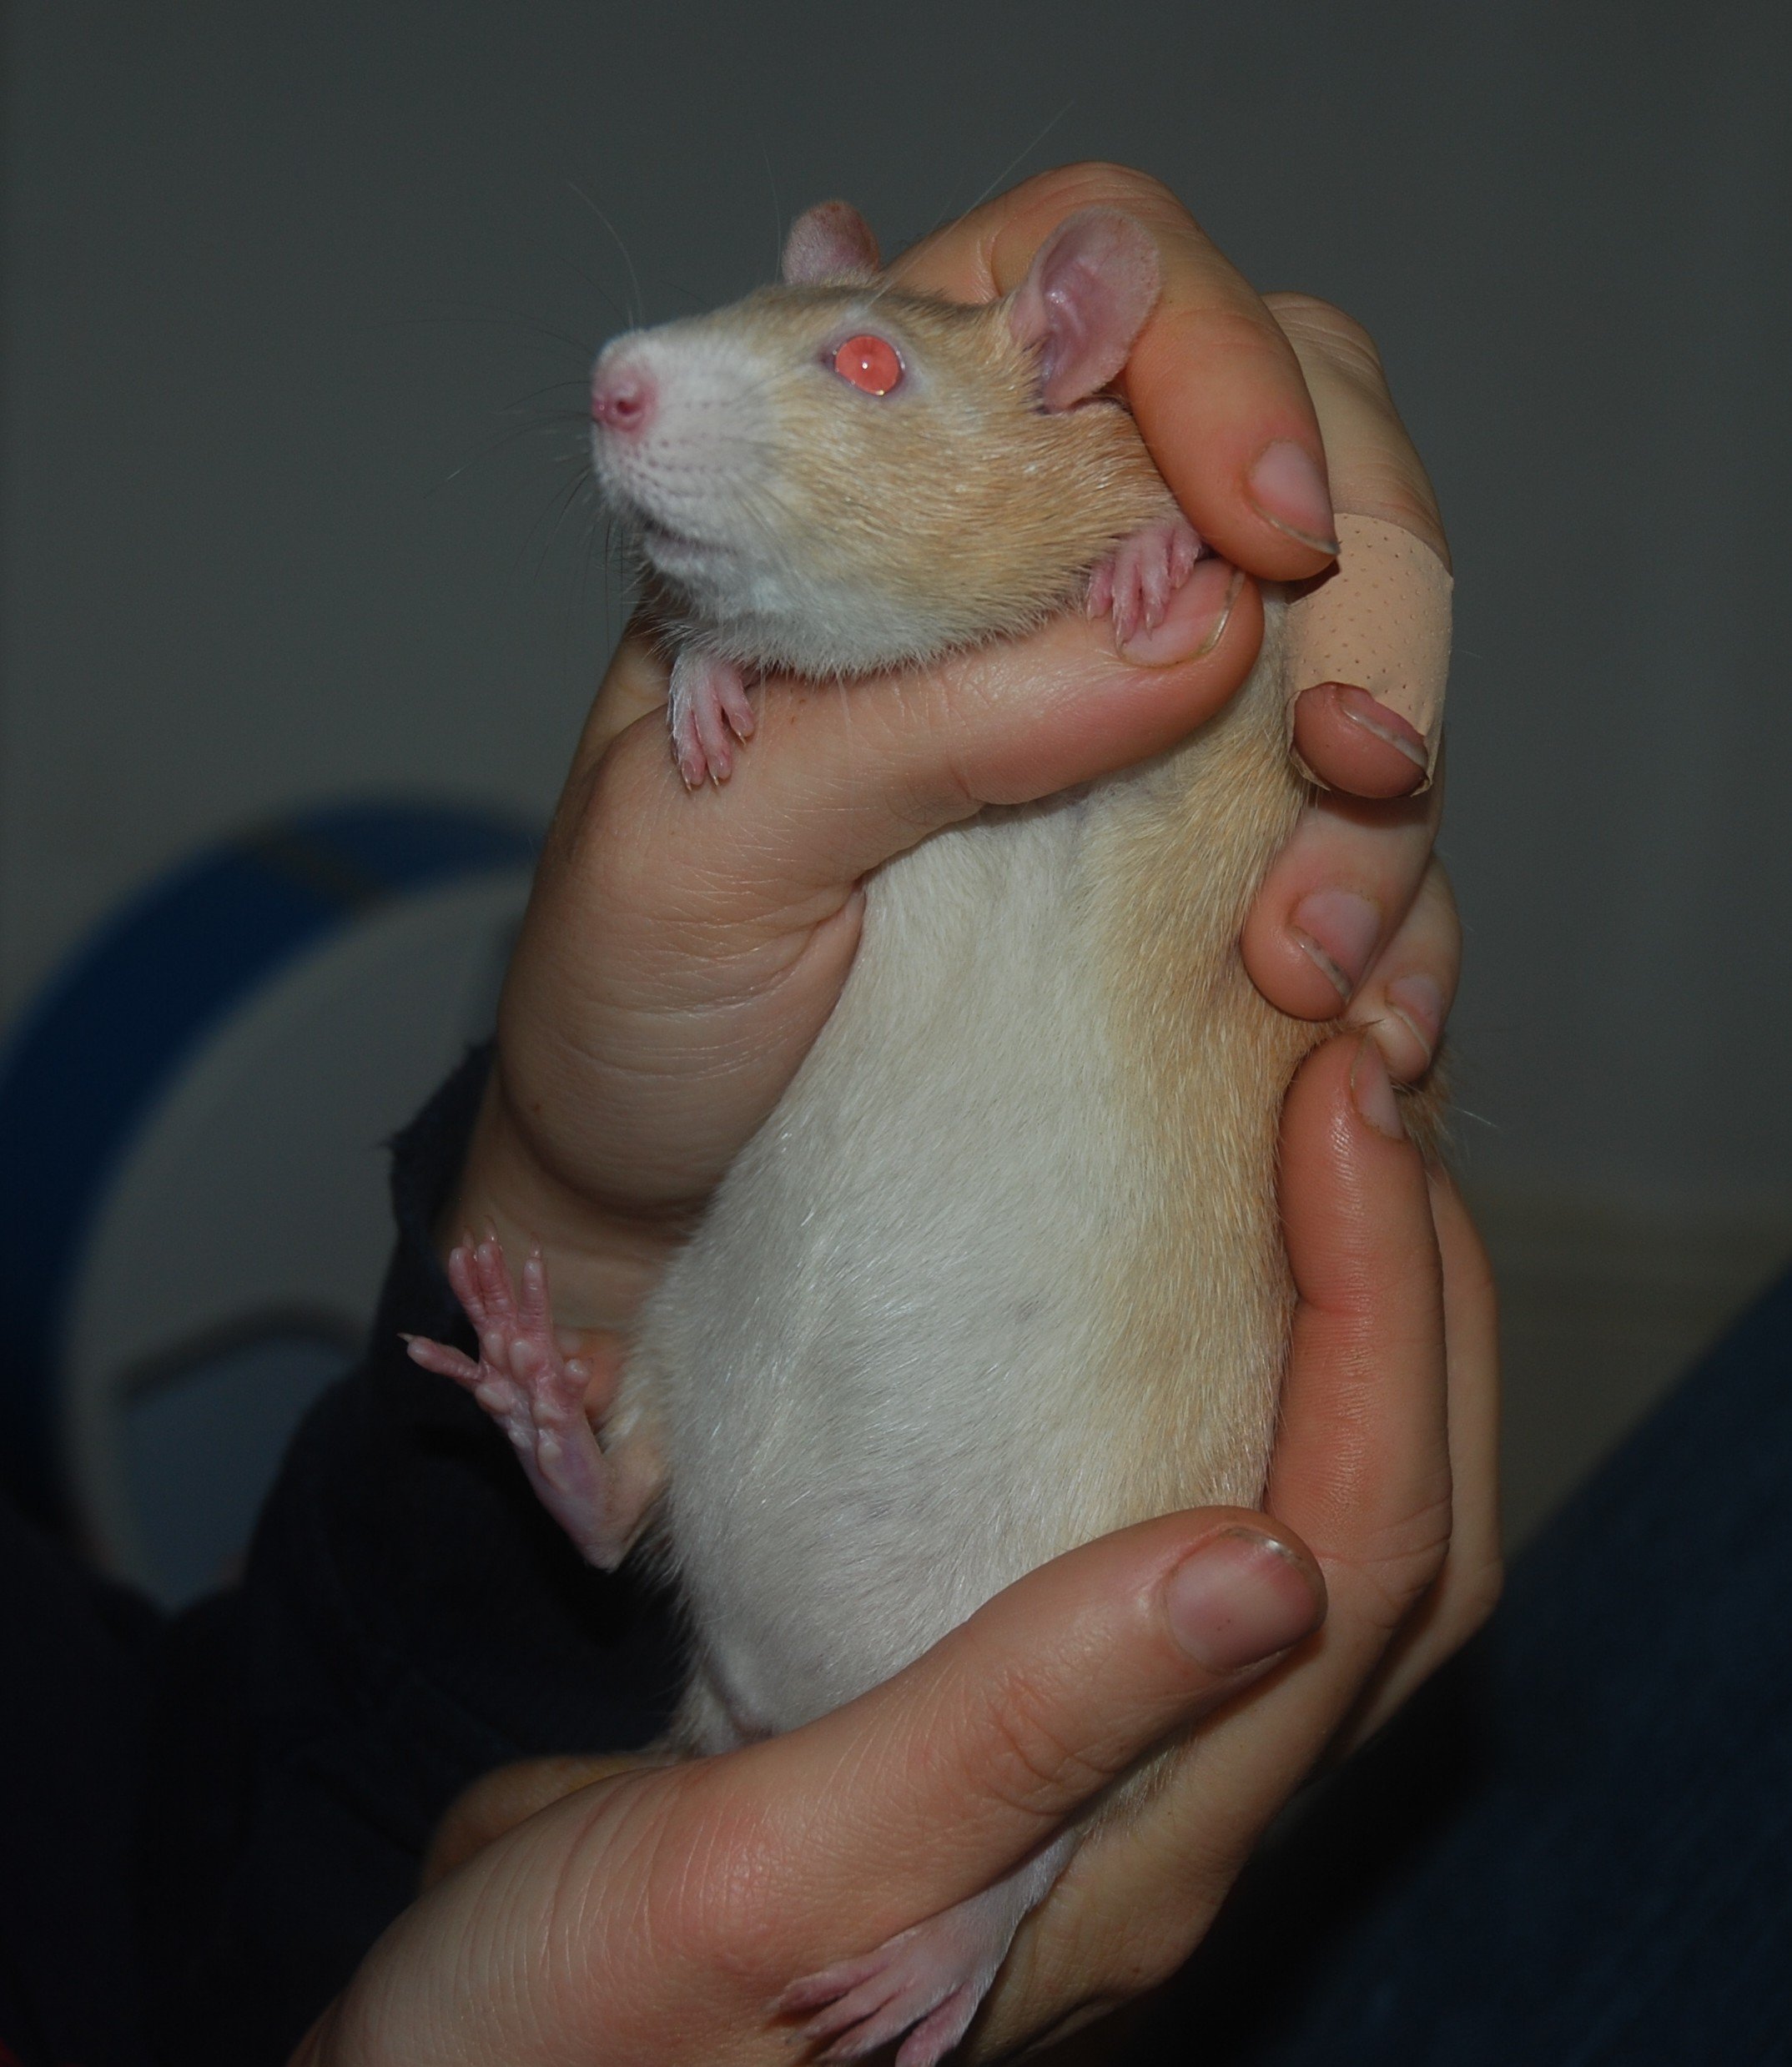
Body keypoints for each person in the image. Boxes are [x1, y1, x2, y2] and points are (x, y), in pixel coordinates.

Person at [1, 163, 1489, 2067]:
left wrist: (568, 1209)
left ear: (1068, 366)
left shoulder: (1098, 545)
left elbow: (202, 1823)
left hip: (913, 1529)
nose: (630, 376)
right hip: (772, 1631)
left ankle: (982, 1848)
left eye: (855, 363)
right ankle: (949, 1817)